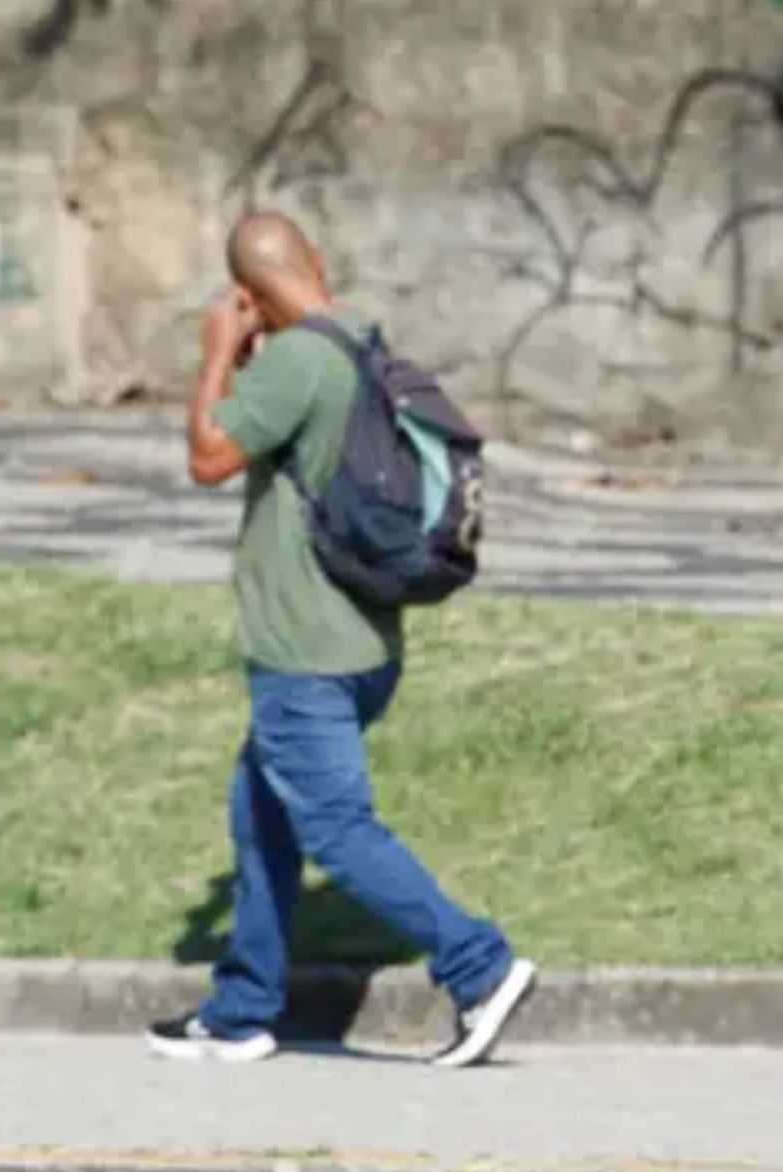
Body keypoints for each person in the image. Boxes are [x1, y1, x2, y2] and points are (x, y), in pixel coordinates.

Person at [147, 211, 537, 1066]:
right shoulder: (358, 344)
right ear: (316, 266)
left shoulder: (295, 361)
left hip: (305, 654)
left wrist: (218, 350)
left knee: (334, 828)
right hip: (362, 644)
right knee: (261, 815)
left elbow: (209, 457)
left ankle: (480, 965)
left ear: (248, 297)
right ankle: (243, 1007)